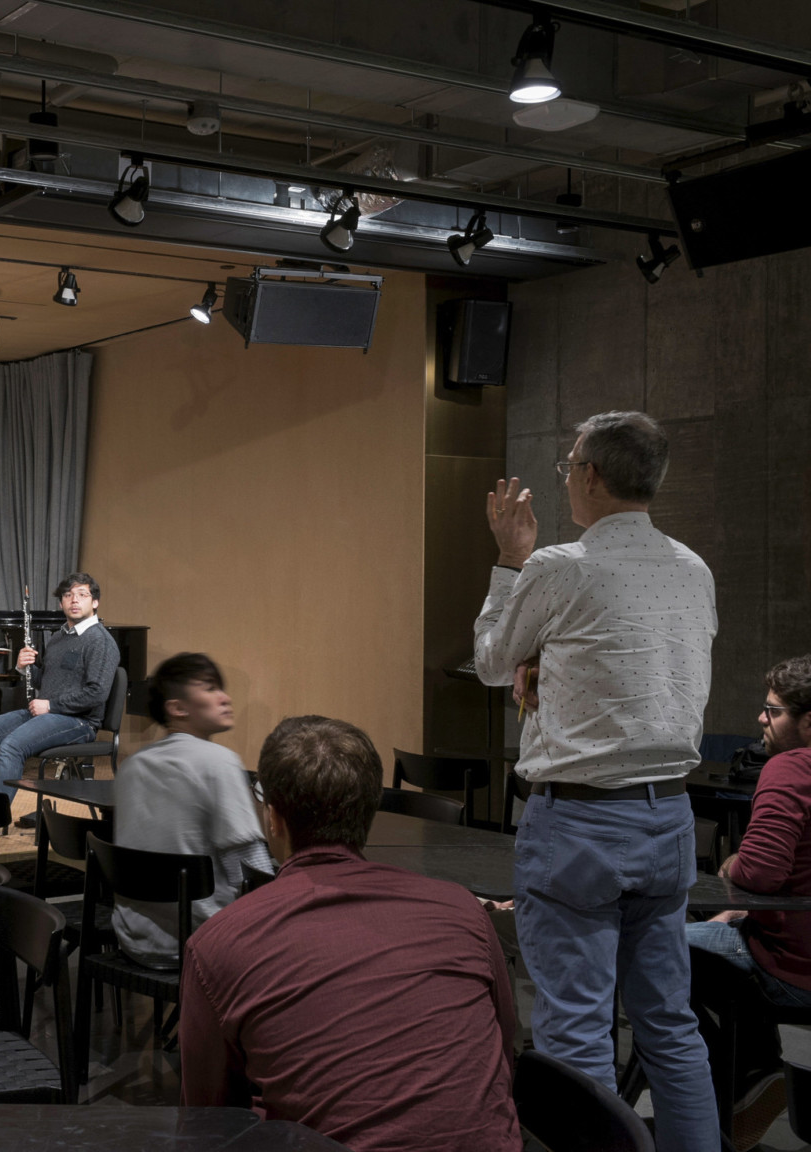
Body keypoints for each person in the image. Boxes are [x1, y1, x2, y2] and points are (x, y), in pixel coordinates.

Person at [475, 410, 718, 1151]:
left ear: (588, 475)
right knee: (670, 1026)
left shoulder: (558, 567)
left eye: (567, 465)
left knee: (576, 1031)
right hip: (671, 818)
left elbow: (490, 661)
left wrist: (511, 559)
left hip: (580, 825)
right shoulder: (692, 566)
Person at [179, 715, 521, 1152]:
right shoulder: (461, 909)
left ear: (274, 819)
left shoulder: (218, 942)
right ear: (370, 811)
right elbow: (504, 1051)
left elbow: (211, 1119)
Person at [687, 655, 811, 1148]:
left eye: (773, 711)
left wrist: (731, 863)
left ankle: (746, 1080)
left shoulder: (788, 769)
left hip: (790, 966)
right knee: (723, 928)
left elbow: (760, 872)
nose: (761, 719)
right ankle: (757, 1075)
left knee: (644, 952)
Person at [111, 652, 271, 968]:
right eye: (211, 688)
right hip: (202, 941)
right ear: (178, 708)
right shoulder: (219, 762)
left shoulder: (131, 767)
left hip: (133, 937)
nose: (225, 698)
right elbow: (251, 871)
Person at [0, 573, 118, 800]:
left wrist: (51, 705)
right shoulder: (58, 637)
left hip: (79, 721)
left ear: (95, 602)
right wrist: (24, 667)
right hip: (46, 715)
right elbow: (45, 681)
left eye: (82, 595)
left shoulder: (100, 641)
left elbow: (97, 693)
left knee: (13, 746)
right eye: (68, 595)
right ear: (61, 603)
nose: (74, 600)